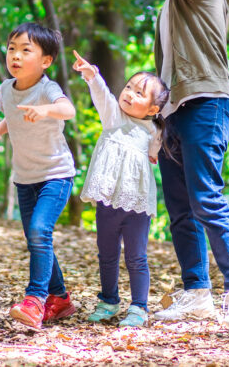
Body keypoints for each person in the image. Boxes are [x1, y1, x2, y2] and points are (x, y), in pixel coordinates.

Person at [85, 0, 229, 328]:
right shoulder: (168, 6)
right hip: (173, 114)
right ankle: (197, 292)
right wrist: (156, 127)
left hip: (205, 102)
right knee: (181, 209)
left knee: (206, 198)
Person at [0, 22, 77, 330]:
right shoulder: (4, 89)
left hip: (56, 175)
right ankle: (61, 299)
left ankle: (35, 300)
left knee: (40, 231)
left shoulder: (46, 89)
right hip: (24, 178)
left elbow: (68, 110)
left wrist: (45, 111)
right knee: (35, 238)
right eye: (12, 48)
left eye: (26, 50)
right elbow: (11, 118)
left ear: (45, 61)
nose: (16, 55)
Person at [72, 50, 169, 328]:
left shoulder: (154, 131)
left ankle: (139, 307)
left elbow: (157, 155)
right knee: (107, 252)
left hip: (137, 204)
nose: (129, 94)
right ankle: (109, 300)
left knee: (136, 256)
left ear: (153, 109)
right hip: (108, 201)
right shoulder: (114, 117)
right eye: (128, 87)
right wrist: (92, 75)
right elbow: (102, 95)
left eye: (139, 93)